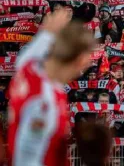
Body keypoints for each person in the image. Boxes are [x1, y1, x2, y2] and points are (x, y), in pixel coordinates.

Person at [7, 9, 95, 166]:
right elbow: (27, 161)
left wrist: (47, 34)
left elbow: (29, 55)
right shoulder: (44, 102)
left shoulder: (28, 67)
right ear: (81, 61)